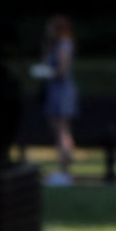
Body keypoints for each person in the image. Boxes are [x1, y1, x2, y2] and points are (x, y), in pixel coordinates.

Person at [39, 15, 77, 187]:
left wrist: (44, 73)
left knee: (62, 131)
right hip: (57, 91)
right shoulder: (56, 45)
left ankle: (64, 171)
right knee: (61, 131)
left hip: (61, 91)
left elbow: (62, 71)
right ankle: (63, 170)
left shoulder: (64, 45)